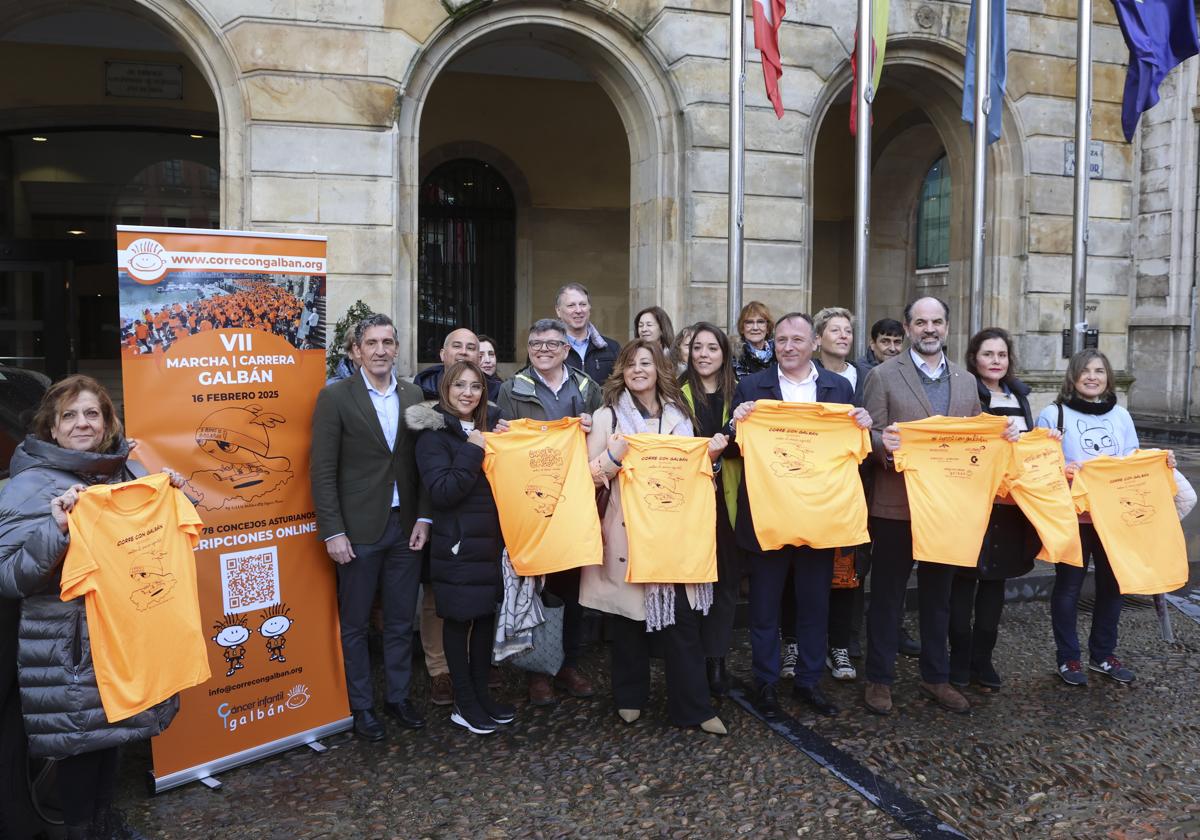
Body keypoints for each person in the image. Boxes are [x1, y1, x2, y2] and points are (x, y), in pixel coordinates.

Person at [0, 375, 184, 840]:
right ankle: (83, 831)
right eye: (70, 415)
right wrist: (57, 529)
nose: (82, 423)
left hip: (123, 636)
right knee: (80, 749)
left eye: (91, 414)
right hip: (70, 645)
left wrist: (167, 496)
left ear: (106, 424)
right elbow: (9, 576)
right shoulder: (30, 486)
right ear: (51, 428)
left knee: (115, 738)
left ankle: (105, 824)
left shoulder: (121, 472)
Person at [861, 297, 1020, 716]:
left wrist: (1004, 438)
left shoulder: (967, 382)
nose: (928, 329)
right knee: (888, 595)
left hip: (948, 507)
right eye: (920, 322)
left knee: (939, 597)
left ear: (947, 327)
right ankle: (879, 679)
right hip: (897, 504)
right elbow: (867, 434)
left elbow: (973, 439)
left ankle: (936, 677)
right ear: (909, 327)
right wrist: (883, 445)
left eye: (936, 322)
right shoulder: (882, 375)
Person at [581, 339, 728, 734]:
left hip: (674, 535)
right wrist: (613, 458)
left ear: (658, 368)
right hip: (628, 534)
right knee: (629, 619)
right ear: (622, 373)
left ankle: (693, 707)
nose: (638, 370)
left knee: (683, 622)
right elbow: (585, 476)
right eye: (631, 365)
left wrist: (710, 460)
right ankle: (629, 697)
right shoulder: (606, 417)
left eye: (645, 363)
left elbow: (694, 474)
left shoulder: (679, 416)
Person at [728, 313, 871, 718]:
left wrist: (862, 422)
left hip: (819, 518)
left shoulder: (838, 388)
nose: (788, 347)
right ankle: (766, 682)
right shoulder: (753, 387)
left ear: (813, 343)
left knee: (814, 605)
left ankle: (809, 681)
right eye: (782, 340)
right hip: (768, 516)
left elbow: (857, 451)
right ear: (773, 344)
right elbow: (735, 446)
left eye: (797, 340)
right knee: (764, 608)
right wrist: (736, 421)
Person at [310, 313, 431, 741]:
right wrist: (333, 531)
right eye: (371, 343)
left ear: (397, 348)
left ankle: (398, 698)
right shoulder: (336, 398)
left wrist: (423, 517)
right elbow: (322, 471)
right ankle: (360, 706)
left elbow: (423, 463)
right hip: (358, 530)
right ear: (356, 351)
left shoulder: (414, 394)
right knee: (356, 624)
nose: (380, 350)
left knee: (400, 620)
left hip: (405, 527)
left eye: (387, 341)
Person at [495, 318, 600, 705]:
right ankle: (538, 671)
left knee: (572, 589)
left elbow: (603, 439)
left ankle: (568, 663)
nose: (542, 349)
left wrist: (593, 426)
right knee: (536, 588)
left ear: (566, 349)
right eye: (535, 343)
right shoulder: (511, 389)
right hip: (531, 503)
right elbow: (505, 445)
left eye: (551, 344)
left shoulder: (588, 389)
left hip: (574, 502)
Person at [409, 362, 511, 735]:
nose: (468, 393)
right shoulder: (432, 436)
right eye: (460, 386)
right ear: (445, 390)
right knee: (457, 620)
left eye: (475, 387)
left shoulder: (488, 429)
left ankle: (481, 696)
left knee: (485, 617)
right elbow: (443, 491)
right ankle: (463, 704)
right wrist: (472, 450)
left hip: (489, 542)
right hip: (456, 543)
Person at [1036, 350, 1141, 686]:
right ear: (1073, 376)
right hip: (1073, 517)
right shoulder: (1053, 414)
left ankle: (1103, 655)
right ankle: (1069, 659)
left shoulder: (1121, 416)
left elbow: (1132, 461)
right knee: (1069, 587)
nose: (1092, 377)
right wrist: (1060, 469)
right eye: (1085, 371)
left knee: (1113, 586)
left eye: (1099, 371)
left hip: (1113, 517)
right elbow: (1038, 465)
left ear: (1108, 376)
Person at [949, 328, 1037, 691]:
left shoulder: (1020, 395)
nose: (996, 361)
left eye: (1002, 355)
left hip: (1010, 507)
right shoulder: (966, 393)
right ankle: (958, 660)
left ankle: (983, 659)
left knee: (995, 584)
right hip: (974, 503)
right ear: (975, 358)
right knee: (962, 584)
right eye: (988, 354)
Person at [680, 322, 742, 695]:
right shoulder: (676, 394)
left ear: (724, 354)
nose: (703, 354)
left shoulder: (741, 395)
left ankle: (717, 661)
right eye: (698, 348)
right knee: (694, 578)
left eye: (712, 348)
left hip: (728, 498)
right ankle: (692, 661)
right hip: (690, 497)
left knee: (727, 582)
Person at [812, 306, 873, 681]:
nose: (843, 336)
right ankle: (805, 644)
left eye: (848, 330)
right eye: (835, 330)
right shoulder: (805, 378)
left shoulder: (867, 376)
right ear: (818, 338)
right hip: (812, 488)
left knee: (849, 570)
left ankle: (845, 645)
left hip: (853, 486)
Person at [555, 283, 620, 385]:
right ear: (558, 311)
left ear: (589, 308)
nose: (578, 310)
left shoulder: (612, 348)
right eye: (571, 305)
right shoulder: (546, 349)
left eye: (583, 304)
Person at [415, 328, 500, 402]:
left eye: (470, 348)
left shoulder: (495, 391)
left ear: (479, 358)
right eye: (457, 346)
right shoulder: (421, 389)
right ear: (442, 354)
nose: (463, 352)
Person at [732, 301, 775, 377]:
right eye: (749, 322)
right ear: (742, 328)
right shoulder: (733, 356)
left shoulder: (779, 354)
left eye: (760, 322)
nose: (755, 328)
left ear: (767, 328)